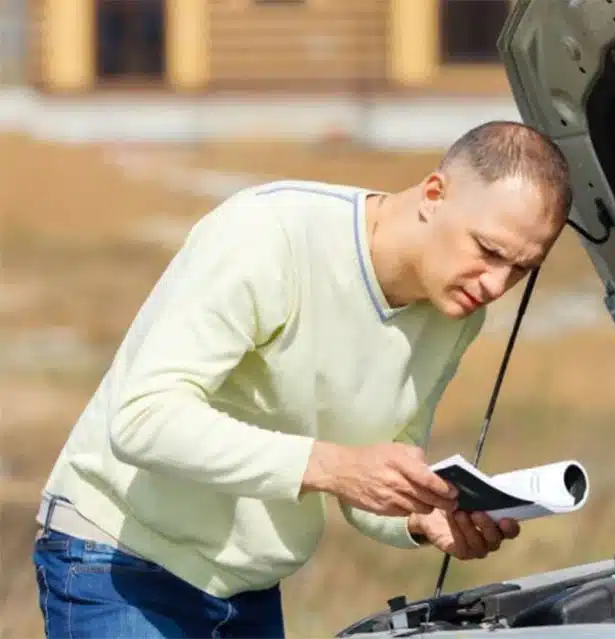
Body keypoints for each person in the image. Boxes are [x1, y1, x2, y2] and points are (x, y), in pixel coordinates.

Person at [31, 120, 573, 638]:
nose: (497, 284)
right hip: (120, 564)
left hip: (250, 591)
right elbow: (142, 419)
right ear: (434, 193)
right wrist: (333, 467)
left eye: (521, 269)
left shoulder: (453, 313)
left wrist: (418, 517)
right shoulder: (270, 235)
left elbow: (372, 466)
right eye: (489, 251)